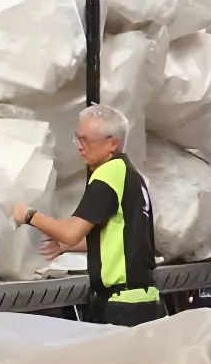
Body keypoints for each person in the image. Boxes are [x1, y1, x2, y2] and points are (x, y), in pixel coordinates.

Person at [10, 102, 164, 327]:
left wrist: (28, 215)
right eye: (77, 139)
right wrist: (67, 247)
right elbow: (118, 237)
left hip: (124, 304)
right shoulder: (130, 175)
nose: (79, 147)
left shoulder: (108, 174)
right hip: (142, 299)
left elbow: (71, 231)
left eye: (86, 140)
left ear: (113, 143)